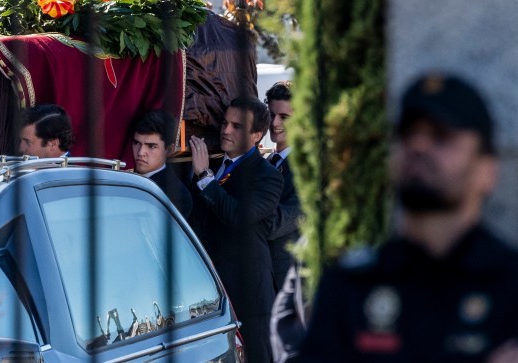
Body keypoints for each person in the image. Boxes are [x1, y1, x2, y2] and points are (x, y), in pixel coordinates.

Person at [299, 74, 518, 363]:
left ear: (486, 170)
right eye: (407, 134)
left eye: (441, 136)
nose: (418, 146)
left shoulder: (510, 287)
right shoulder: (350, 287)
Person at [189, 96, 284, 363]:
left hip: (248, 294)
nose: (226, 130)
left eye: (237, 126)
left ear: (256, 135)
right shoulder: (211, 164)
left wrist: (205, 178)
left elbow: (238, 217)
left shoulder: (267, 176)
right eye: (225, 123)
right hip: (208, 291)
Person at [265, 80, 307, 363]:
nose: (275, 123)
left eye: (284, 117)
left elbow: (280, 221)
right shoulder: (269, 161)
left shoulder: (307, 169)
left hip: (289, 285)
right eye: (271, 115)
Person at [131, 109, 192, 217]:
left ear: (169, 150)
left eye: (151, 146)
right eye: (137, 143)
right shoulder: (122, 173)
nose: (140, 152)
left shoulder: (177, 196)